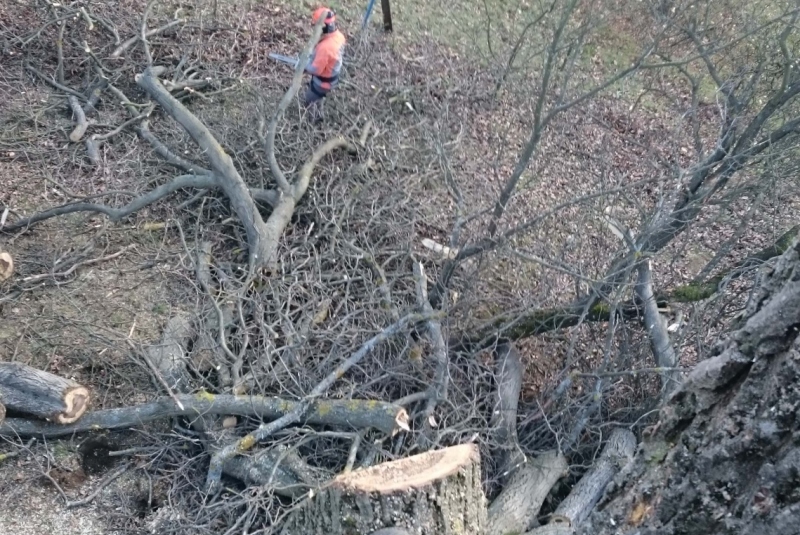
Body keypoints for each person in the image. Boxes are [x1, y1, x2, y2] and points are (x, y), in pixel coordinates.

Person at [302, 7, 346, 123]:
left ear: (323, 27)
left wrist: (304, 66)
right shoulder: (339, 36)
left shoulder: (325, 47)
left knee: (310, 99)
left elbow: (315, 69)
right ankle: (319, 115)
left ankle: (312, 123)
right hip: (332, 76)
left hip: (323, 81)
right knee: (319, 97)